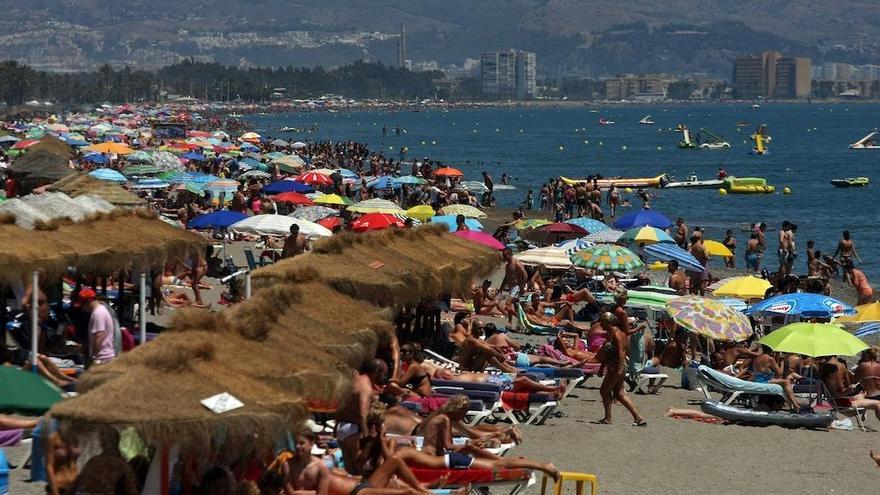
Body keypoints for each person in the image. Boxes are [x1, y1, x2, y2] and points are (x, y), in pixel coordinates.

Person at [394, 395, 560, 481]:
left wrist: (470, 444)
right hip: (444, 461)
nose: (463, 416)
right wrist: (469, 445)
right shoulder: (444, 419)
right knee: (498, 463)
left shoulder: (440, 418)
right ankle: (542, 465)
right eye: (463, 412)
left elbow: (442, 447)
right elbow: (448, 446)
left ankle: (539, 465)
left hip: (440, 459)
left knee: (496, 461)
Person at [337, 359, 388, 474]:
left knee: (349, 471)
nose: (385, 377)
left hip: (343, 427)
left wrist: (336, 426)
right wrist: (366, 438)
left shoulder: (354, 381)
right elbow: (363, 414)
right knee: (360, 469)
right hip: (354, 430)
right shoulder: (366, 387)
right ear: (376, 372)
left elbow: (341, 405)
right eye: (384, 373)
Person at [595, 313, 646, 426]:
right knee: (619, 393)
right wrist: (602, 367)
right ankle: (638, 417)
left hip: (616, 367)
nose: (601, 325)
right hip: (616, 366)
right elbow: (608, 352)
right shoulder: (613, 333)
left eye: (603, 323)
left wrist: (619, 369)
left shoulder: (617, 334)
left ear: (608, 323)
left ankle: (608, 418)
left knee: (604, 391)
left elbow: (621, 353)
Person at [67, 428, 139, 495]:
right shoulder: (123, 465)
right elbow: (132, 491)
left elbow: (75, 484)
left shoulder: (94, 461)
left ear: (102, 444)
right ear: (117, 442)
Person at [77, 289, 118, 366]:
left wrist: (93, 356)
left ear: (88, 301)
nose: (82, 308)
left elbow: (99, 336)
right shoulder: (100, 310)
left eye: (82, 305)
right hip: (104, 357)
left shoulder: (98, 313)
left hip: (103, 358)